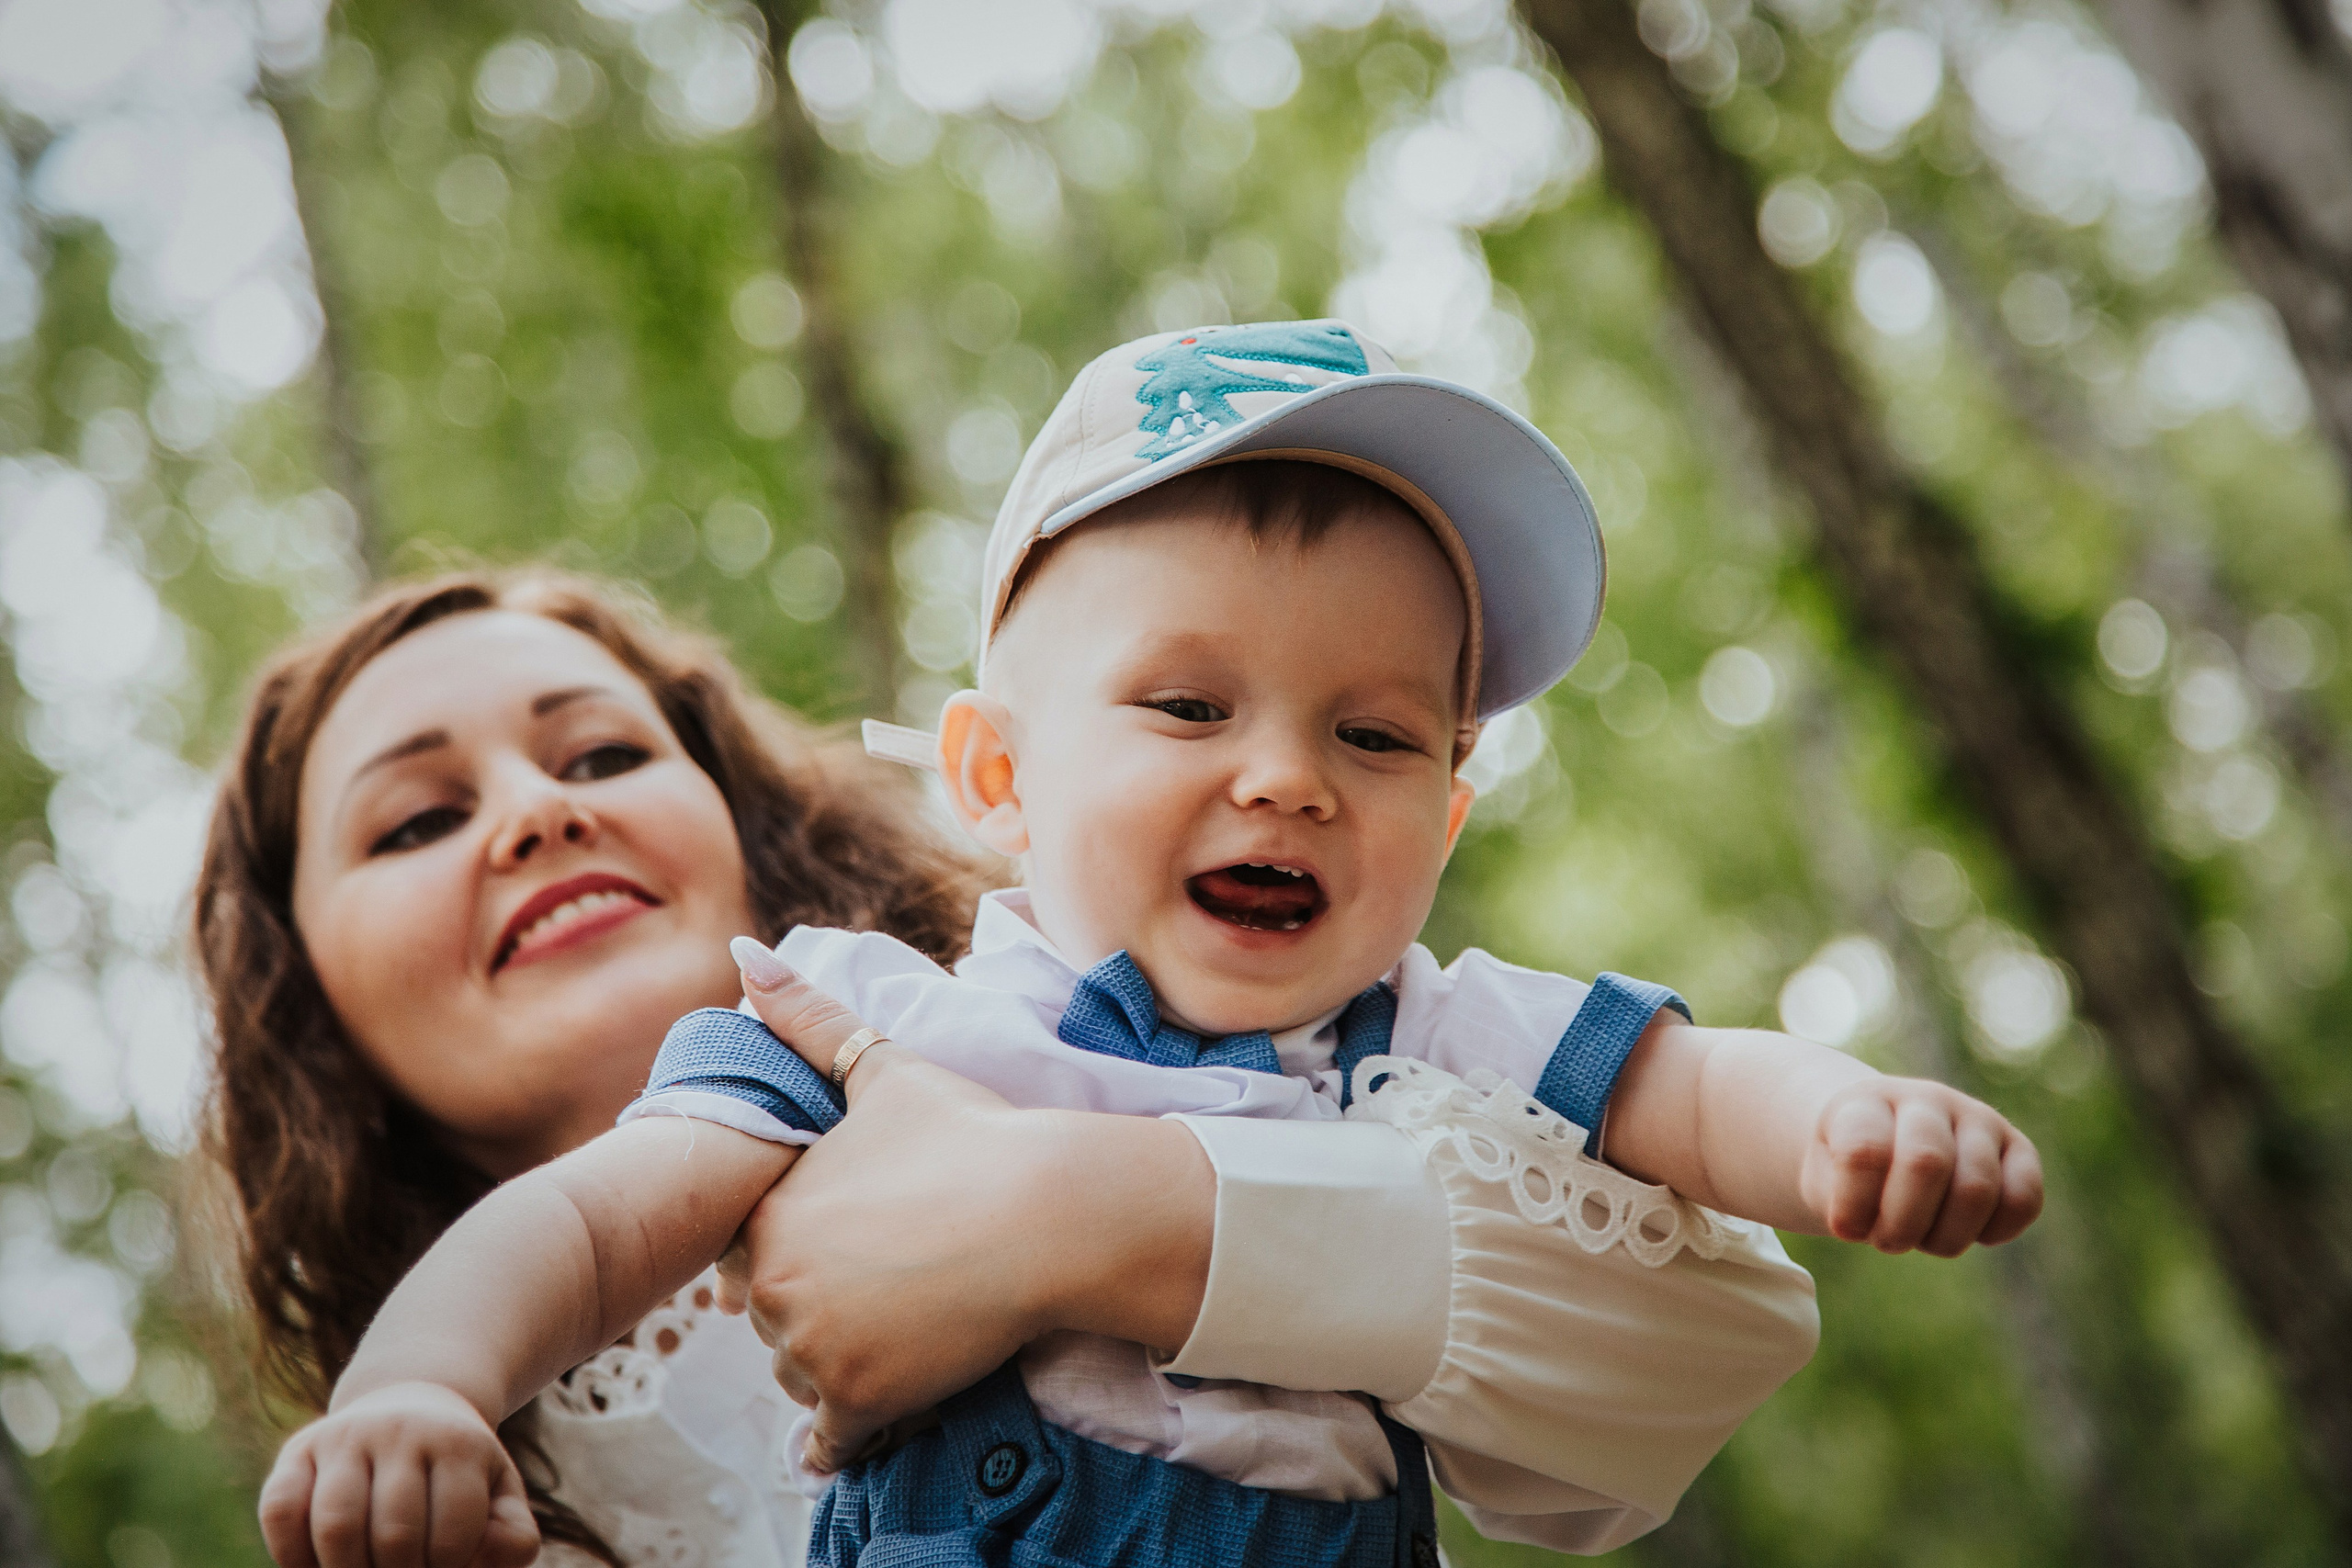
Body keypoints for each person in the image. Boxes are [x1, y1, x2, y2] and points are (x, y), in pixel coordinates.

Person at [254, 323, 2040, 1566]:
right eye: (1188, 702)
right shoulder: (851, 1032)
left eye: (1376, 735)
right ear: (996, 774)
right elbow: (578, 1225)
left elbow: (1689, 1109)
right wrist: (418, 1386)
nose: (1286, 777)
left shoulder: (1419, 1033)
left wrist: (1843, 1121)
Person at [209, 562, 1827, 1568]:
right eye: (419, 818)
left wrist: (1078, 1208)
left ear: (731, 807)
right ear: (305, 994)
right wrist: (420, 1390)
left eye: (605, 752)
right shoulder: (433, 1498)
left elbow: (1722, 1335)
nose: (533, 813)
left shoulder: (1087, 1028)